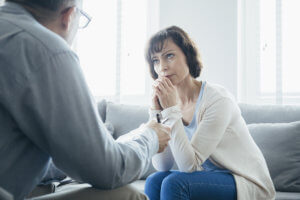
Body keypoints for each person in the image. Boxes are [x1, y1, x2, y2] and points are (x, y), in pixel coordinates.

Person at [0, 0, 171, 199]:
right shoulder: (47, 50)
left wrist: (76, 157)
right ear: (69, 16)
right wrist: (150, 136)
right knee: (125, 195)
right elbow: (109, 171)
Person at [144, 26, 276, 200]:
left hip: (246, 182)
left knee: (175, 183)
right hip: (208, 177)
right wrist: (157, 114)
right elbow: (163, 165)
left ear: (187, 55)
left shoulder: (217, 99)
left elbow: (188, 166)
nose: (162, 68)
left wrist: (170, 111)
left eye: (169, 56)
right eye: (155, 60)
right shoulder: (169, 105)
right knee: (155, 180)